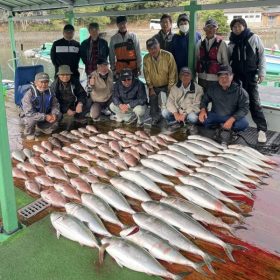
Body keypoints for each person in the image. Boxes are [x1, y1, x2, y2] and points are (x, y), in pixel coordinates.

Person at [228, 18, 267, 143]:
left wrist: (261, 72)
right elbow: (228, 62)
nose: (237, 28)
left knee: (254, 102)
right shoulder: (231, 43)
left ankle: (261, 130)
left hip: (250, 76)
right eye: (234, 27)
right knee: (235, 102)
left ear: (244, 26)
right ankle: (234, 128)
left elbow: (262, 55)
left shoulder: (253, 38)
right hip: (236, 77)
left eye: (239, 26)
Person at [199, 65, 249, 142]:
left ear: (232, 76)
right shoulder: (213, 88)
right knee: (202, 120)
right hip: (216, 114)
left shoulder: (240, 91)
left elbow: (244, 108)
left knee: (243, 124)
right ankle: (218, 128)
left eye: (226, 76)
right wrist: (202, 110)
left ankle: (231, 131)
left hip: (231, 116)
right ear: (218, 78)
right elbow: (204, 100)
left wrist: (232, 119)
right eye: (221, 77)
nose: (224, 79)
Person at [143, 37, 177, 125]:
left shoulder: (168, 55)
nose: (153, 50)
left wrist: (170, 88)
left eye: (155, 47)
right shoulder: (146, 58)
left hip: (167, 85)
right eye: (150, 48)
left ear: (159, 45)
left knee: (170, 103)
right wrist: (150, 87)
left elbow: (173, 73)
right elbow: (146, 74)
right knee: (153, 101)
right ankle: (155, 118)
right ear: (147, 49)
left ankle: (172, 119)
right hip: (154, 86)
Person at [162, 67, 203, 134]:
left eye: (187, 75)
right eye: (183, 75)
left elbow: (196, 105)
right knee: (164, 112)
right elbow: (169, 102)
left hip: (189, 112)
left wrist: (184, 114)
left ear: (191, 77)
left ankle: (189, 125)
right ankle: (175, 123)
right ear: (180, 76)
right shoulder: (174, 87)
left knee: (193, 118)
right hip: (177, 112)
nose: (185, 77)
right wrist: (175, 113)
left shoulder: (199, 89)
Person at [20, 72, 61, 140]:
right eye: (41, 82)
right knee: (31, 120)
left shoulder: (51, 91)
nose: (44, 84)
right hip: (30, 115)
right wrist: (45, 117)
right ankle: (29, 132)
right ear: (35, 82)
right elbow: (29, 113)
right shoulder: (29, 94)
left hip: (44, 114)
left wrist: (54, 114)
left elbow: (55, 105)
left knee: (59, 115)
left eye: (46, 82)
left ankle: (42, 126)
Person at [196, 19, 229, 91]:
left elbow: (226, 62)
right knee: (202, 99)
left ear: (216, 29)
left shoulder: (222, 43)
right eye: (208, 27)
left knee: (215, 100)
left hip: (216, 79)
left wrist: (224, 79)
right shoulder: (199, 43)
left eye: (213, 27)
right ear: (204, 29)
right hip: (202, 78)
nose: (210, 30)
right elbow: (197, 60)